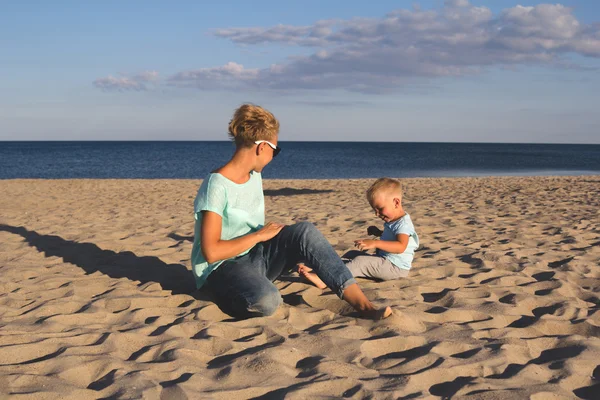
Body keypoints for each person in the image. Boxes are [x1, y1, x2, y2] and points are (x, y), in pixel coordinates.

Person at [191, 104, 392, 320]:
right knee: (267, 300)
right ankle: (234, 292)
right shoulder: (217, 185)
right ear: (261, 148)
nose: (274, 156)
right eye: (275, 150)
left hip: (255, 255)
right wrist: (259, 235)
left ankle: (364, 306)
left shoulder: (254, 176)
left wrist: (276, 239)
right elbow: (211, 252)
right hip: (222, 268)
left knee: (304, 232)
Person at [299, 178, 419, 287]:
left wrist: (375, 243)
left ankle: (325, 281)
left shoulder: (403, 225)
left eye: (380, 209)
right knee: (352, 255)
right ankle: (325, 271)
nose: (377, 214)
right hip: (385, 261)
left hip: (396, 269)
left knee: (360, 262)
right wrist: (379, 233)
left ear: (396, 203)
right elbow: (392, 238)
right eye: (374, 210)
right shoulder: (394, 220)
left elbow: (401, 246)